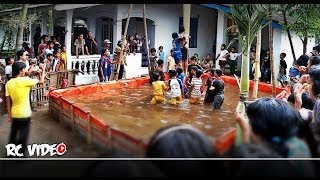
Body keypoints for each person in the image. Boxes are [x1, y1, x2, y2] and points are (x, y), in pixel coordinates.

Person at [5, 61, 46, 157]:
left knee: (13, 133)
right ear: (20, 71)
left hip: (14, 113)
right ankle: (20, 153)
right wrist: (43, 70)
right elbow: (41, 81)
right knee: (23, 134)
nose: (25, 70)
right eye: (24, 69)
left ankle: (10, 152)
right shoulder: (25, 80)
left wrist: (9, 114)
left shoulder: (8, 83)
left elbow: (8, 101)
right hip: (24, 113)